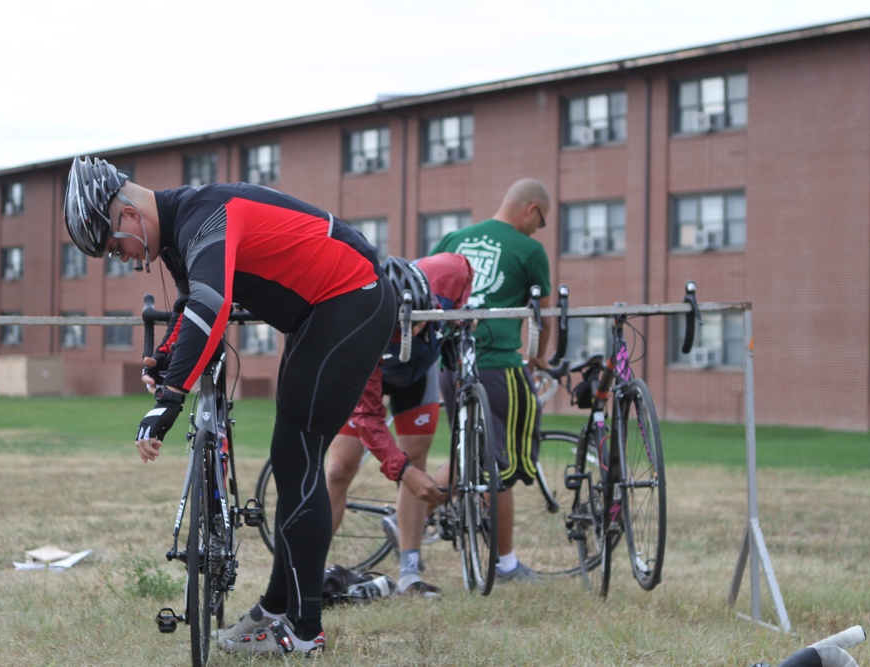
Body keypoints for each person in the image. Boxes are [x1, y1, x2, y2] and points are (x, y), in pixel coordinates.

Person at [63, 156, 396, 657]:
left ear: (129, 214)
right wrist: (167, 359)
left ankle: (304, 630)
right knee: (292, 460)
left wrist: (170, 401)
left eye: (114, 246)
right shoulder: (179, 232)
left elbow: (212, 305)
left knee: (297, 457)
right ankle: (277, 608)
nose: (124, 259)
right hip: (323, 311)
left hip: (352, 298)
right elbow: (191, 309)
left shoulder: (204, 218)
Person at [325, 252, 474, 598]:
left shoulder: (447, 272)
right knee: (338, 468)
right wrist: (402, 471)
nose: (414, 330)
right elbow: (368, 419)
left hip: (417, 377)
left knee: (416, 456)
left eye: (418, 322)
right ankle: (309, 568)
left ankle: (410, 570)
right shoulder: (360, 328)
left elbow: (466, 271)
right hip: (369, 371)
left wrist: (459, 315)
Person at [429, 178, 552, 583]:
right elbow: (543, 317)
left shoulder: (454, 238)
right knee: (501, 462)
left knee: (467, 455)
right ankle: (505, 564)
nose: (539, 230)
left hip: (451, 364)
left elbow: (428, 288)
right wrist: (538, 358)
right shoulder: (530, 250)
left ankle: (410, 517)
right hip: (498, 363)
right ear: (531, 209)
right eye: (541, 221)